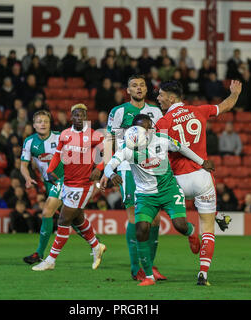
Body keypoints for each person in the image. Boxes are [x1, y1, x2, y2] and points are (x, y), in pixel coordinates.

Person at [102, 114, 213, 286]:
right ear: (134, 129)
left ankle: (191, 233)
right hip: (146, 196)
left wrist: (201, 161)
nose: (147, 131)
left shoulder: (161, 139)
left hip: (168, 190)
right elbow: (109, 165)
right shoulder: (127, 145)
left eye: (148, 127)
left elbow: (182, 148)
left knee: (180, 225)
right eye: (143, 128)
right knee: (141, 230)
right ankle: (149, 276)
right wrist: (112, 174)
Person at [155, 80, 240, 285]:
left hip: (178, 181)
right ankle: (203, 273)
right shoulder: (199, 110)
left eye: (161, 95)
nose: (158, 98)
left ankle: (189, 234)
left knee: (156, 207)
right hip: (202, 177)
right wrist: (235, 93)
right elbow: (226, 105)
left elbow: (159, 153)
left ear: (172, 98)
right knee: (208, 226)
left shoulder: (163, 122)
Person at [102, 74, 165, 282]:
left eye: (142, 85)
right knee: (135, 217)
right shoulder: (118, 112)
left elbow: (160, 141)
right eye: (134, 86)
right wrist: (107, 169)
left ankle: (151, 265)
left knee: (155, 219)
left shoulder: (155, 111)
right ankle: (135, 266)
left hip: (151, 168)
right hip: (128, 168)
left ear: (147, 90)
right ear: (127, 91)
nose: (138, 88)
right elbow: (109, 140)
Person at [32, 104, 106, 271]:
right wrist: (50, 170)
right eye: (76, 115)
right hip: (67, 183)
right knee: (77, 218)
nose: (79, 118)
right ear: (71, 117)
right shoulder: (65, 134)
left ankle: (50, 260)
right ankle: (96, 246)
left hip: (83, 184)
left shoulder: (94, 135)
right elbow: (58, 154)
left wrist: (99, 168)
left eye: (83, 115)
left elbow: (108, 153)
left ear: (86, 117)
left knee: (63, 219)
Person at [21, 110, 84, 264]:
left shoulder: (60, 137)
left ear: (50, 124)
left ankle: (39, 253)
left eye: (46, 121)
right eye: (39, 121)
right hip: (49, 183)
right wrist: (28, 177)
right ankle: (95, 243)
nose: (43, 123)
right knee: (71, 217)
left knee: (47, 212)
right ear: (34, 125)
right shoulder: (29, 142)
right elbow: (23, 165)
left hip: (65, 179)